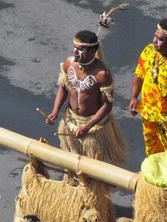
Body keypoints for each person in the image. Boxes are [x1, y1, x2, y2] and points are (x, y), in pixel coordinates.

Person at [46, 30, 126, 167]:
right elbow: (63, 88)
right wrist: (55, 111)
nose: (75, 52)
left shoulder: (102, 74)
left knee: (92, 168)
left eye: (80, 49)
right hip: (71, 121)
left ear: (91, 51)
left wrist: (87, 126)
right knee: (72, 166)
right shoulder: (68, 63)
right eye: (74, 47)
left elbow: (107, 106)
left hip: (93, 126)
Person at [128, 14, 167, 156]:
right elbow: (139, 74)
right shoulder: (149, 50)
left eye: (159, 39)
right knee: (152, 153)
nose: (154, 40)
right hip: (148, 114)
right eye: (155, 36)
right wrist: (133, 97)